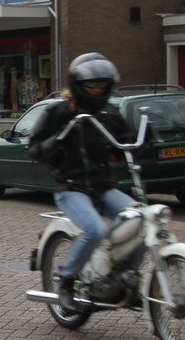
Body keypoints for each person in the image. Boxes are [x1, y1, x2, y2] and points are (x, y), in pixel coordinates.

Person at [27, 53, 137, 314]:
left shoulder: (109, 113)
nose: (97, 90)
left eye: (102, 85)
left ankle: (123, 277)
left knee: (140, 220)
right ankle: (66, 281)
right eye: (91, 85)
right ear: (78, 85)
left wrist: (143, 137)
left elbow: (125, 142)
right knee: (95, 229)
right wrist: (58, 140)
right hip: (71, 188)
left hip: (103, 187)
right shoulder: (58, 112)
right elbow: (35, 149)